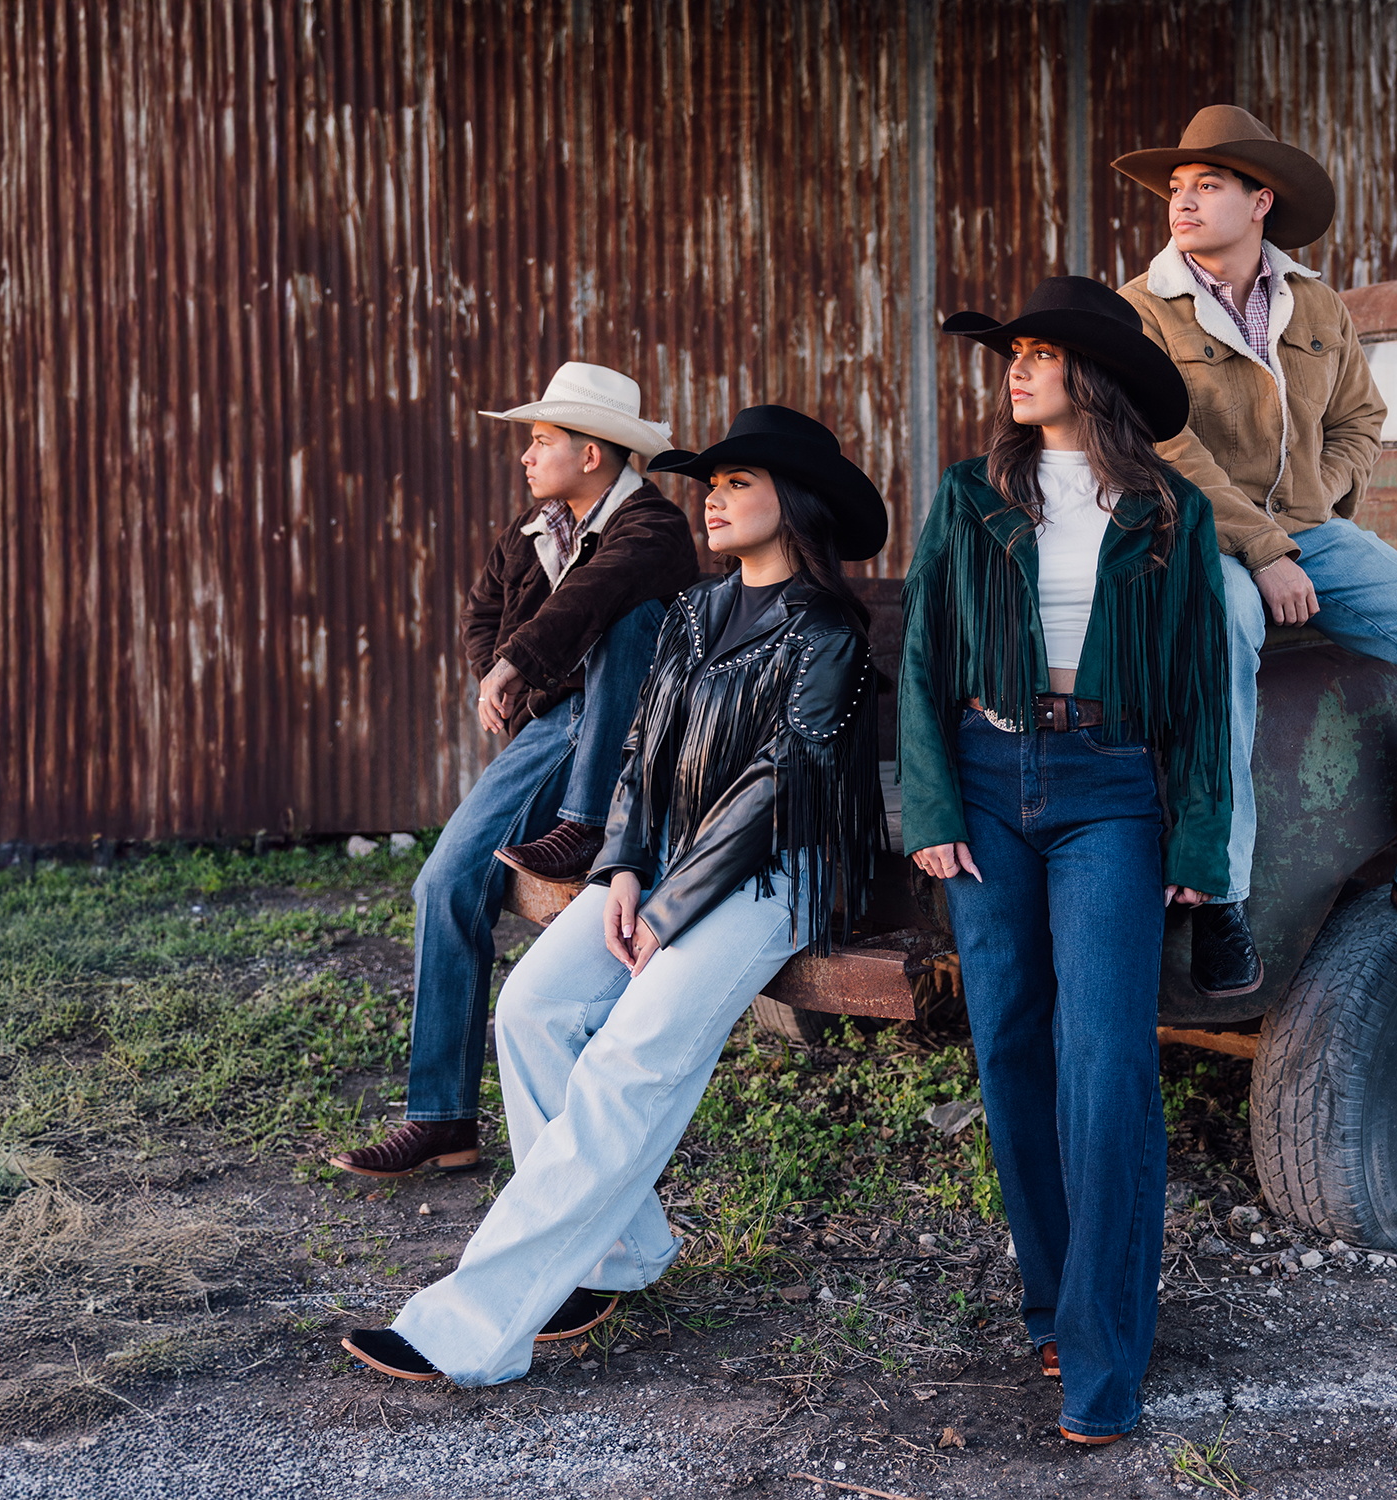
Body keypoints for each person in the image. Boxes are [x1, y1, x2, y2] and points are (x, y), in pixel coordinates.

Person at [338, 406, 888, 1384]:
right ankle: (619, 1253)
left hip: (774, 871)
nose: (713, 501)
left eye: (737, 484)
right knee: (535, 1006)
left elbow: (775, 784)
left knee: (629, 1063)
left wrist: (669, 909)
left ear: (793, 503)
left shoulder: (828, 630)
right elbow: (639, 754)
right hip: (664, 862)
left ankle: (468, 1329)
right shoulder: (694, 613)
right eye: (709, 485)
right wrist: (625, 869)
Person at [1111, 105, 1397, 993]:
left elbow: (1361, 421)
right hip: (1195, 535)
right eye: (1176, 188)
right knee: (1229, 630)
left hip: (1312, 532)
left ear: (1260, 199)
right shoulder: (1141, 310)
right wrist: (1264, 549)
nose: (1183, 202)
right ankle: (1220, 899)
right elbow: (1160, 443)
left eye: (1208, 185)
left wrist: (1320, 498)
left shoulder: (1313, 303)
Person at [897, 276, 1231, 1444]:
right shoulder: (970, 494)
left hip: (1111, 793)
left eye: (1041, 354)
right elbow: (925, 652)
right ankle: (1053, 1303)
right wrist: (932, 798)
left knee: (1104, 1065)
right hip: (988, 785)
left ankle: (1103, 1362)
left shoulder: (1169, 512)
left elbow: (1198, 691)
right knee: (1011, 1047)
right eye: (1013, 355)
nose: (1018, 370)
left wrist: (1196, 835)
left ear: (1092, 375)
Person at [329, 363, 700, 1179]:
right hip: (551, 731)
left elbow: (596, 596)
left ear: (593, 453)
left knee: (624, 616)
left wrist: (519, 665)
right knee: (442, 884)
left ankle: (585, 824)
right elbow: (483, 617)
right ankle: (441, 1120)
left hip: (637, 734)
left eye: (541, 440)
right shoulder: (531, 529)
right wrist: (501, 674)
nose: (527, 457)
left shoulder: (652, 527)